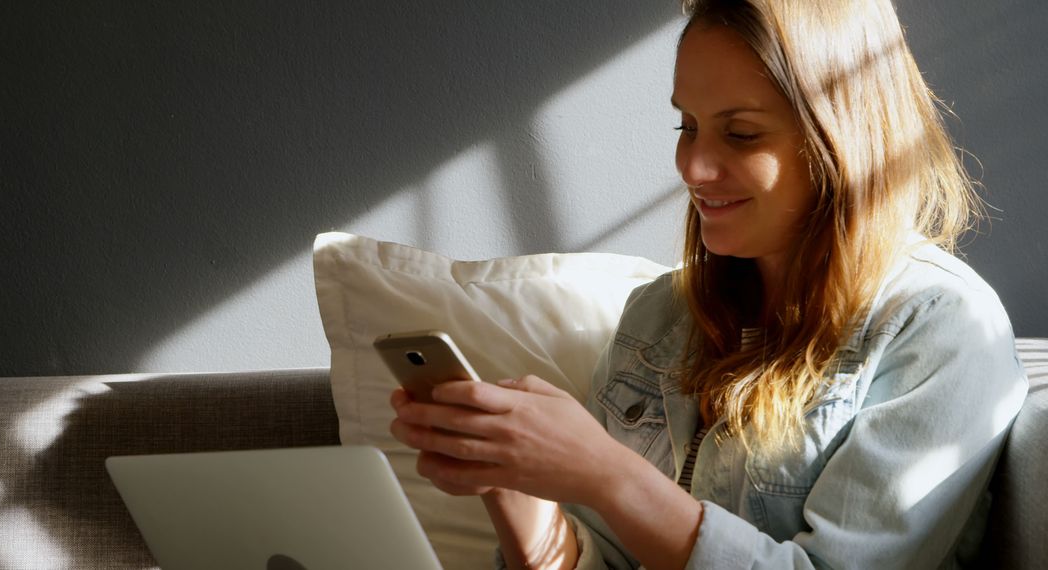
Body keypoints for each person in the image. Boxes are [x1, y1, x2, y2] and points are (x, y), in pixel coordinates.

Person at [389, 0, 1029, 568]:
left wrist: (605, 474)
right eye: (686, 125)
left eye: (741, 133)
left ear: (840, 139)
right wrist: (510, 479)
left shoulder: (939, 327)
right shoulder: (660, 317)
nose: (692, 167)